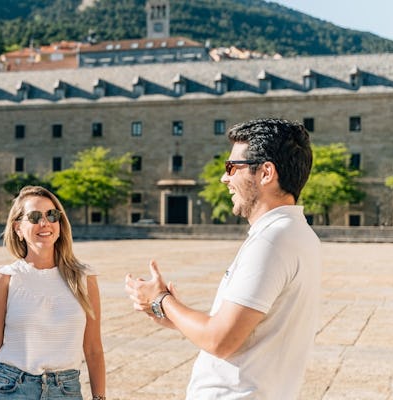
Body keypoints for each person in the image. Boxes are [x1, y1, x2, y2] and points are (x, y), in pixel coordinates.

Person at [124, 118, 321, 399]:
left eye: (232, 167)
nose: (224, 178)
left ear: (266, 172)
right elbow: (241, 331)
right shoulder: (298, 234)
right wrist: (173, 315)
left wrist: (162, 300)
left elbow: (220, 340)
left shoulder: (271, 242)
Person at [0, 186, 106, 400]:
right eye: (34, 216)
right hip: (11, 389)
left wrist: (100, 398)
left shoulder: (84, 279)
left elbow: (93, 349)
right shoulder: (4, 279)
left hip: (66, 390)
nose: (44, 223)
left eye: (52, 215)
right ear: (18, 227)